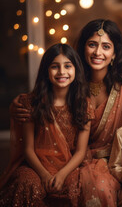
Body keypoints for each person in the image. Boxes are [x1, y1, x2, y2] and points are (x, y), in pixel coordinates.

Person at [8, 19, 122, 206]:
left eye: (106, 46)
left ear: (114, 53)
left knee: (100, 187)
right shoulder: (72, 79)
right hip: (73, 160)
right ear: (82, 48)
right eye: (92, 45)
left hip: (111, 161)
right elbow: (41, 100)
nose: (97, 52)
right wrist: (16, 105)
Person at [0, 43, 93, 206]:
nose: (62, 72)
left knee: (78, 188)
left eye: (68, 66)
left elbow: (80, 151)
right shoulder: (32, 102)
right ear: (46, 71)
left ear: (76, 70)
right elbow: (28, 149)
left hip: (69, 166)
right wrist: (43, 175)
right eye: (55, 67)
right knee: (26, 183)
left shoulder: (84, 104)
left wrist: (62, 174)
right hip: (36, 166)